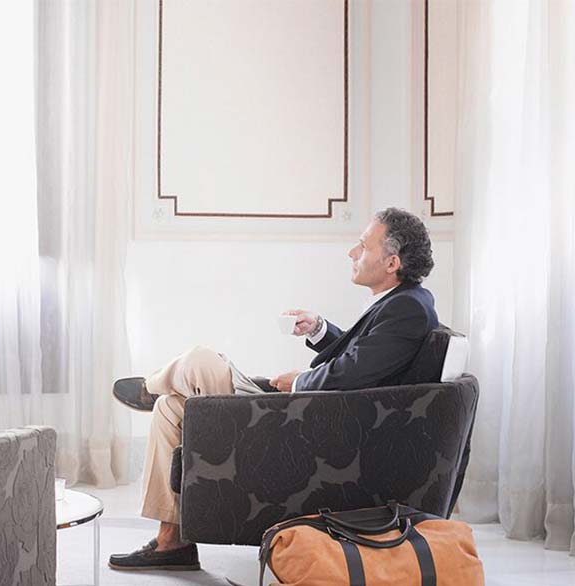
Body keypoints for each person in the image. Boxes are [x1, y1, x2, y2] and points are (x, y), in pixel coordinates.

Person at [107, 207, 439, 572]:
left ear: (391, 262)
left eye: (362, 246)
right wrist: (319, 329)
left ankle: (151, 386)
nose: (352, 253)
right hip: (306, 413)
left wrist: (298, 382)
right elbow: (366, 359)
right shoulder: (401, 303)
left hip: (303, 425)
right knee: (171, 409)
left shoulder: (407, 307)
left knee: (201, 360)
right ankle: (173, 543)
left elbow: (356, 374)